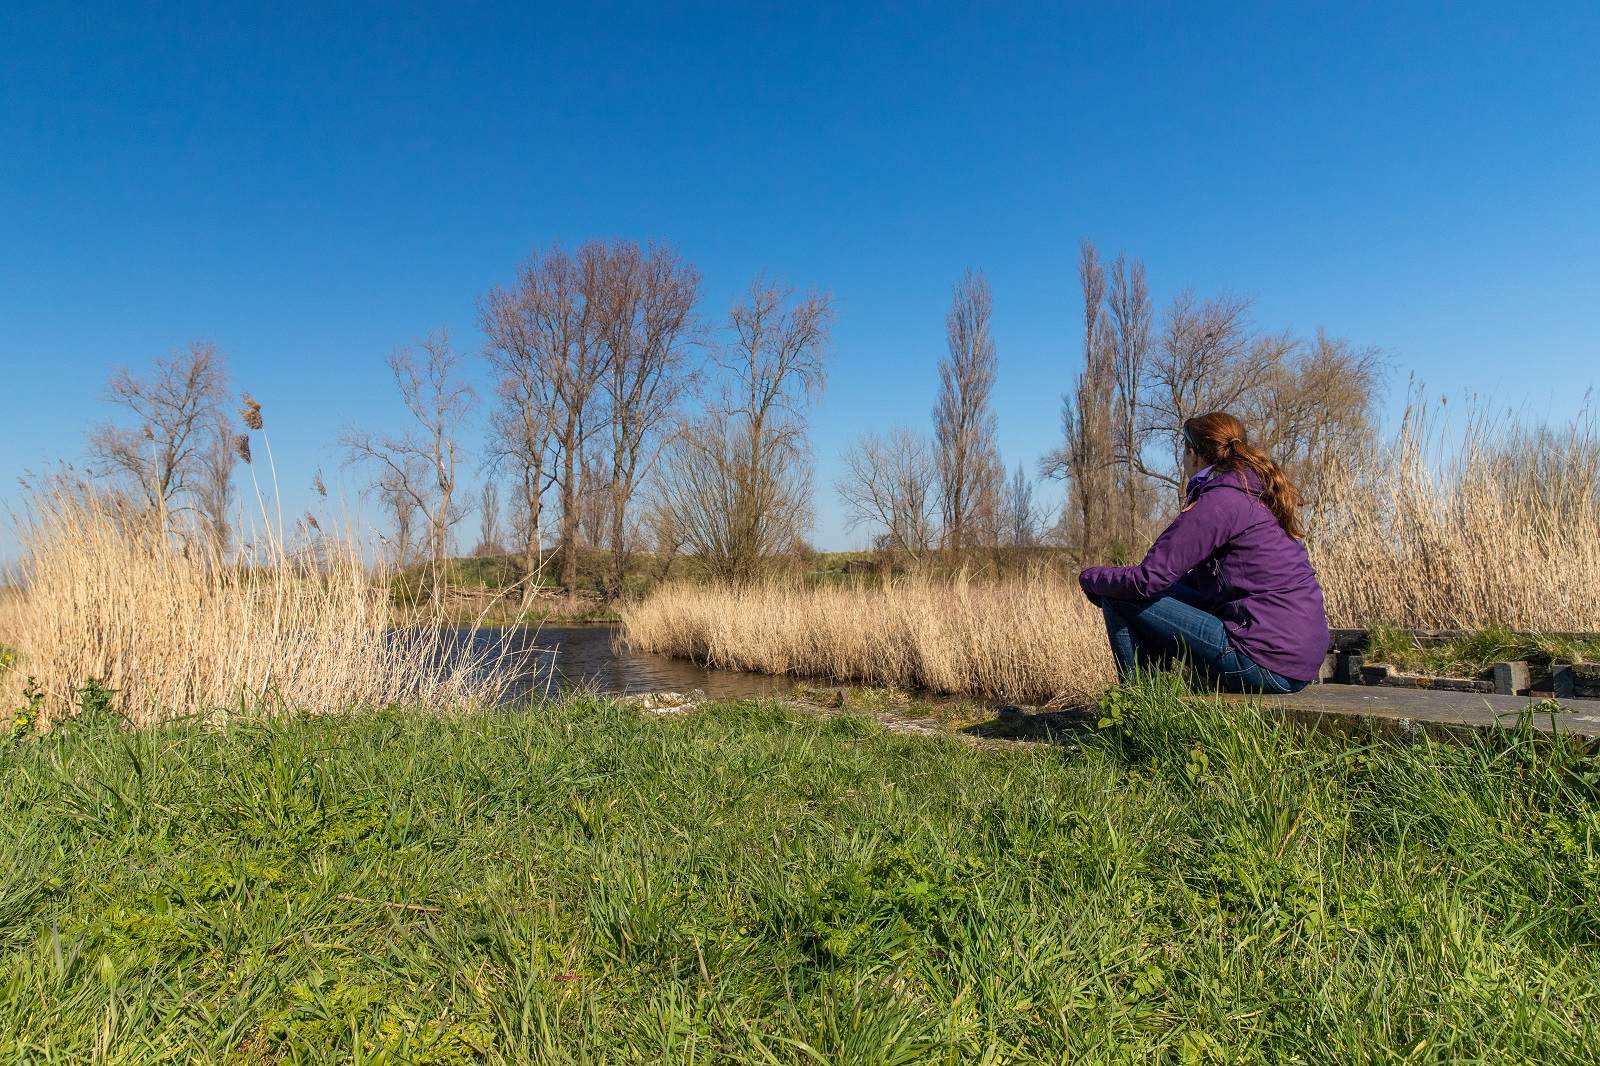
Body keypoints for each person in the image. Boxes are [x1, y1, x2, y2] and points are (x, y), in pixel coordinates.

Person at [1078, 412, 1330, 694]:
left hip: (1265, 664)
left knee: (1118, 597)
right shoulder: (1257, 492)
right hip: (1297, 662)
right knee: (1137, 594)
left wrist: (1089, 578)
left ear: (1193, 453)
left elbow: (1147, 579)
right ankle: (1156, 699)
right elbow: (1209, 580)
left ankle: (1144, 710)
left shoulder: (1221, 500)